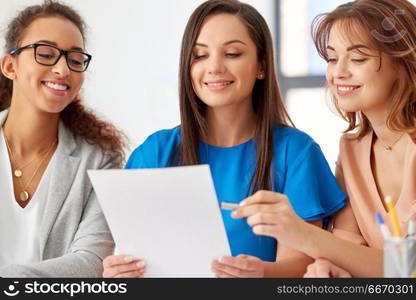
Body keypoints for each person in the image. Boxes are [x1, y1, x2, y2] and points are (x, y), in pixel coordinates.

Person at [102, 0, 346, 278]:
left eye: (232, 53)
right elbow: (137, 257)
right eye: (200, 55)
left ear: (261, 66)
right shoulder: (155, 153)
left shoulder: (296, 152)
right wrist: (120, 275)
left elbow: (303, 264)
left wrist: (261, 274)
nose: (214, 67)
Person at [233, 0, 416, 277]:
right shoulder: (352, 150)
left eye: (358, 58)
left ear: (403, 64)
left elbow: (406, 268)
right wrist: (327, 268)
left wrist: (302, 233)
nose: (338, 72)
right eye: (332, 58)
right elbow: (347, 243)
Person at [0, 0, 126, 277]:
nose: (63, 69)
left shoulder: (101, 159)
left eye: (75, 59)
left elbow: (92, 262)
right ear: (10, 66)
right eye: (45, 53)